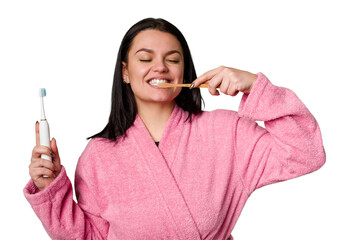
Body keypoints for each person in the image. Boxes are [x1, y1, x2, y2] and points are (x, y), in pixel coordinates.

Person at [24, 18, 326, 240]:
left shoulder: (227, 133)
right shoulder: (98, 156)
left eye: (173, 59)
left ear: (185, 71)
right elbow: (89, 237)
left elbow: (305, 153)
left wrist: (254, 86)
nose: (161, 67)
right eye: (145, 58)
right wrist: (51, 189)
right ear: (126, 73)